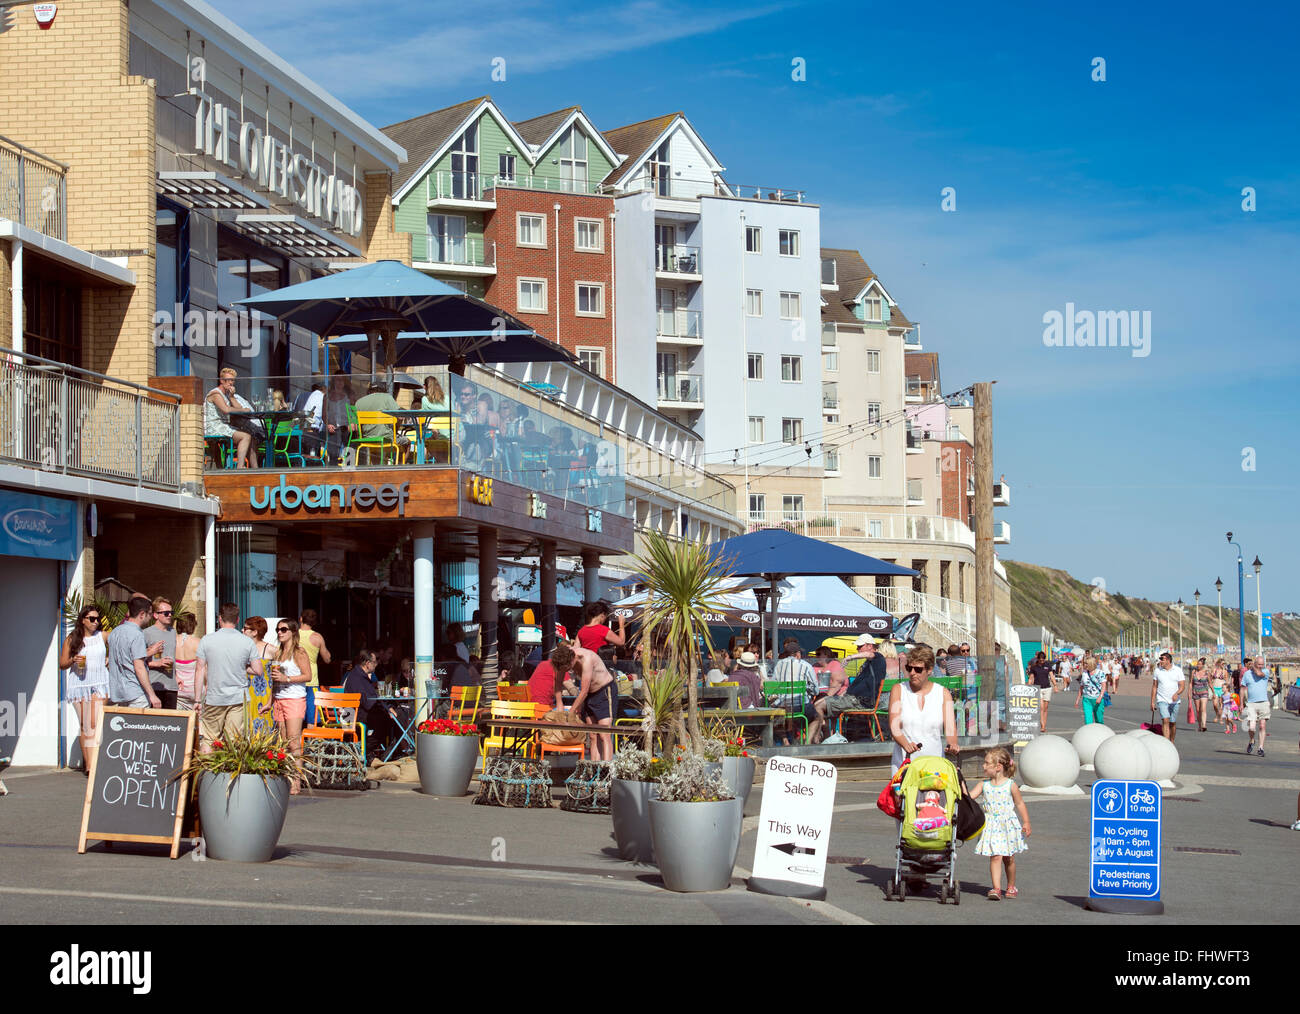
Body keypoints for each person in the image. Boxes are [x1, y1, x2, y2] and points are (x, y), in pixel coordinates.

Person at [195, 602, 262, 753]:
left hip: (214, 697)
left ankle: (205, 767)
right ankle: (229, 768)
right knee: (234, 740)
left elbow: (199, 669)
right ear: (237, 620)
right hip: (238, 697)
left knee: (209, 738)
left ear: (220, 618)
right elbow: (258, 670)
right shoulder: (247, 642)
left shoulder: (207, 639)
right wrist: (242, 667)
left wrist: (197, 699)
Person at [967, 747, 1030, 900]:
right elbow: (969, 797)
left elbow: (1019, 803)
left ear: (998, 767)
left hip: (1007, 824)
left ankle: (1011, 885)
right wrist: (960, 784)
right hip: (991, 824)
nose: (983, 766)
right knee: (995, 856)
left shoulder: (1010, 785)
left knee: (1009, 858)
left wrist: (1026, 822)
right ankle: (996, 888)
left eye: (986, 763)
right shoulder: (984, 784)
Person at [259, 619, 311, 793]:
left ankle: (296, 781)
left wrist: (287, 678)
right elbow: (275, 681)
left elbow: (308, 676)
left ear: (292, 632)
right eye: (278, 630)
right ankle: (286, 779)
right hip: (279, 699)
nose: (279, 633)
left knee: (293, 740)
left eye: (283, 629)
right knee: (282, 741)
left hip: (294, 699)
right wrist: (270, 701)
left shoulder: (299, 652)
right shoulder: (278, 653)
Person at [888, 645, 959, 774]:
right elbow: (894, 726)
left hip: (935, 765)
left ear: (929, 670)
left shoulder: (943, 693)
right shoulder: (898, 690)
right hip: (905, 764)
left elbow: (950, 728)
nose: (912, 673)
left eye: (918, 669)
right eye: (909, 668)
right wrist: (906, 744)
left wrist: (952, 744)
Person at [59, 605, 110, 772]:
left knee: (94, 724)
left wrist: (109, 658)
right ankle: (88, 765)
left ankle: (93, 765)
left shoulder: (103, 636)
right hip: (80, 685)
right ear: (83, 620)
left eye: (97, 619)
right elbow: (62, 664)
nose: (96, 622)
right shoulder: (72, 639)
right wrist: (73, 660)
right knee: (85, 725)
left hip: (99, 683)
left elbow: (119, 648)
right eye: (92, 619)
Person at [809, 637, 885, 743]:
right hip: (852, 699)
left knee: (819, 706)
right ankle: (827, 738)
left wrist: (850, 657)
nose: (857, 649)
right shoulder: (868, 664)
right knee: (819, 704)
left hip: (859, 701)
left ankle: (815, 740)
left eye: (860, 646)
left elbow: (870, 654)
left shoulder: (878, 657)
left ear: (870, 646)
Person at [107, 595, 162, 709]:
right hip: (136, 692)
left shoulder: (115, 632)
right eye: (149, 614)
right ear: (142, 614)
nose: (151, 617)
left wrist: (147, 652)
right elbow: (139, 667)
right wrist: (152, 695)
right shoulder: (137, 635)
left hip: (119, 692)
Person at [342, 650, 399, 755]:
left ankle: (369, 751)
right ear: (368, 663)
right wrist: (387, 709)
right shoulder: (358, 678)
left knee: (389, 717)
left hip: (354, 713)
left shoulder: (358, 675)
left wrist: (387, 707)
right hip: (354, 715)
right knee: (389, 720)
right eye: (374, 662)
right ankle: (363, 751)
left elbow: (370, 700)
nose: (376, 664)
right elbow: (369, 703)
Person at [570, 642, 618, 761]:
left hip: (603, 691)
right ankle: (594, 768)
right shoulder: (566, 656)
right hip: (589, 696)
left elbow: (584, 690)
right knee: (592, 735)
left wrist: (571, 711)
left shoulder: (586, 658)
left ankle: (606, 769)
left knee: (604, 734)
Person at [205, 367, 260, 468]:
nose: (231, 383)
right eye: (228, 380)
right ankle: (240, 467)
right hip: (214, 425)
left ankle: (255, 469)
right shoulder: (215, 393)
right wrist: (244, 410)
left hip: (224, 424)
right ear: (222, 381)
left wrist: (231, 397)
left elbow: (238, 408)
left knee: (250, 436)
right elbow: (226, 409)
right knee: (245, 436)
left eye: (233, 380)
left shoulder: (227, 394)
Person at [770, 638, 818, 746]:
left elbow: (773, 686)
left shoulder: (779, 665)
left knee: (779, 716)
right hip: (800, 707)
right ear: (797, 654)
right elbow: (816, 690)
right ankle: (807, 743)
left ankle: (785, 740)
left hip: (782, 706)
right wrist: (807, 689)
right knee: (817, 718)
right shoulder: (806, 665)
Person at [143, 596, 179, 709]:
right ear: (155, 615)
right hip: (154, 686)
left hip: (171, 686)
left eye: (171, 613)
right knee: (155, 719)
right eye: (166, 613)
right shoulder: (146, 633)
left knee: (170, 719)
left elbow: (173, 655)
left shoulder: (173, 632)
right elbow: (137, 661)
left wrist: (177, 677)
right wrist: (157, 663)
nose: (170, 615)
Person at [299, 609, 332, 713]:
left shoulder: (293, 635)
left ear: (301, 619)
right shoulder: (317, 637)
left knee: (295, 715)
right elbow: (327, 659)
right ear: (314, 622)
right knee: (312, 716)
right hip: (311, 680)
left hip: (295, 679)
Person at [1150, 651, 1185, 742]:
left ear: (1168, 660)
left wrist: (1177, 693)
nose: (1160, 661)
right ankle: (1167, 743)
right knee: (1165, 720)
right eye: (1160, 659)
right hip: (1162, 699)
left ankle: (1171, 741)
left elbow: (1182, 686)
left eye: (1162, 659)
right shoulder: (1157, 671)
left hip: (1175, 701)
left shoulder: (1178, 670)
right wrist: (1152, 702)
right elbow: (1154, 686)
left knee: (1172, 723)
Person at [1241, 656, 1272, 757]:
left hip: (1263, 702)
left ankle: (1261, 748)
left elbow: (1259, 674)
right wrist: (1241, 703)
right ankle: (1252, 740)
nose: (1261, 666)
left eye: (1262, 664)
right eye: (1259, 664)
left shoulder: (1265, 671)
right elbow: (1242, 688)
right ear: (1255, 663)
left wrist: (1253, 667)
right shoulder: (1247, 674)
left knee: (1262, 725)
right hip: (1251, 703)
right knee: (1252, 727)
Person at [529, 643, 573, 711]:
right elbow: (572, 690)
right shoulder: (561, 668)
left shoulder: (542, 664)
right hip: (542, 706)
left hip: (526, 705)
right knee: (568, 709)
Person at [172, 612, 201, 712]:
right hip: (195, 690)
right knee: (197, 720)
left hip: (178, 690)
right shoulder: (199, 643)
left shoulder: (172, 642)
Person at [324, 374, 353, 465]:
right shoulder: (327, 396)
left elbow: (354, 411)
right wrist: (328, 424)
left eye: (342, 380)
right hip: (333, 428)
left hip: (346, 427)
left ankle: (349, 470)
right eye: (337, 380)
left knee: (350, 450)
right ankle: (333, 470)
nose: (340, 382)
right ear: (333, 382)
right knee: (333, 452)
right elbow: (324, 414)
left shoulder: (349, 396)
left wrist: (353, 423)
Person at [1027, 651, 1055, 733]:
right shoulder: (1034, 667)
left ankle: (1044, 725)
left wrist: (1055, 685)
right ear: (1038, 659)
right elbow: (1031, 678)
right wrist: (1028, 686)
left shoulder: (1047, 666)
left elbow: (1051, 676)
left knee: (1045, 708)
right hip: (1038, 688)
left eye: (1043, 659)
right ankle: (1042, 725)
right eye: (1040, 659)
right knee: (1041, 708)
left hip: (1047, 688)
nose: (1042, 661)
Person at [1075, 656, 1107, 725]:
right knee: (1088, 720)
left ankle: (1100, 731)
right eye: (1084, 663)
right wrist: (1078, 699)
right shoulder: (1084, 673)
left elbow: (1104, 686)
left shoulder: (1100, 673)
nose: (1084, 665)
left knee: (1099, 720)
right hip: (1087, 699)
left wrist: (1100, 697)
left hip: (1097, 699)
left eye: (1086, 663)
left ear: (1091, 664)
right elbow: (1081, 686)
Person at [1189, 661, 1211, 731]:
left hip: (1204, 692)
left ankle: (1204, 725)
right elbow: (1191, 683)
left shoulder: (1207, 673)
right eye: (1197, 664)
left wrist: (1214, 692)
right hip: (1196, 693)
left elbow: (1210, 683)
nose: (1198, 665)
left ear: (1203, 665)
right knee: (1198, 710)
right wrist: (1189, 693)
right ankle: (1199, 725)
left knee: (1203, 709)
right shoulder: (1193, 672)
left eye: (1200, 664)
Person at [1209, 659, 1228, 723]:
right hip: (1215, 688)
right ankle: (1217, 714)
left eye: (1224, 664)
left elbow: (1226, 681)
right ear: (1219, 664)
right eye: (1222, 664)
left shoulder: (1225, 671)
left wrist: (1227, 690)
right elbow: (1210, 679)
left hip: (1221, 689)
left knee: (1221, 704)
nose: (1223, 665)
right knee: (1215, 704)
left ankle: (1220, 718)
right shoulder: (1214, 670)